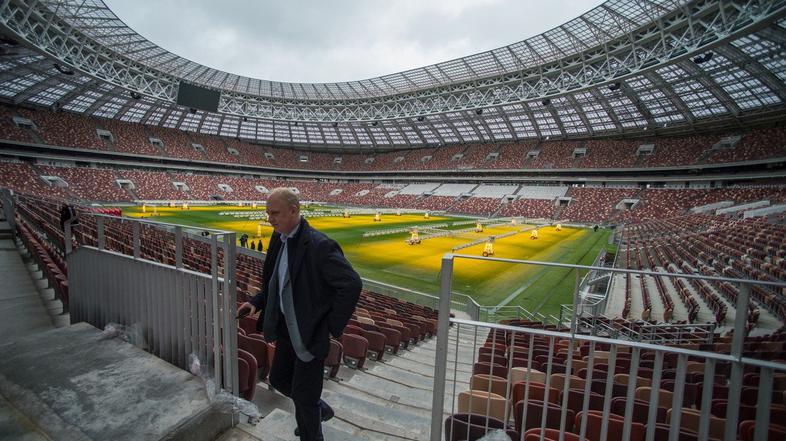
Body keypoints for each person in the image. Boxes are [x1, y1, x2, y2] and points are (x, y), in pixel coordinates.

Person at [237, 188, 361, 441]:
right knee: (281, 379)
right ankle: (319, 410)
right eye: (268, 213)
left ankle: (310, 432)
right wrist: (255, 302)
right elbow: (274, 280)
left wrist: (329, 326)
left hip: (310, 333)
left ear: (294, 211)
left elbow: (351, 284)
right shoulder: (278, 236)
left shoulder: (319, 245)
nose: (269, 219)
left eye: (275, 213)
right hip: (285, 330)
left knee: (305, 397)